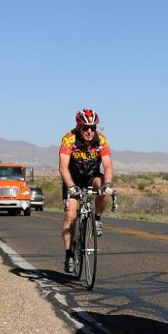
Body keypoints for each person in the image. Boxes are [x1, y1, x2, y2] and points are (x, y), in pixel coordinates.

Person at [59, 109, 115, 272]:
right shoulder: (69, 139)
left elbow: (108, 165)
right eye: (85, 128)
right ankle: (69, 253)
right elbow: (63, 167)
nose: (89, 131)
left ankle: (96, 218)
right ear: (78, 127)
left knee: (104, 190)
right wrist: (71, 186)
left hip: (92, 176)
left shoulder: (101, 140)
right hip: (73, 178)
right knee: (70, 215)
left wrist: (108, 183)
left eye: (92, 127)